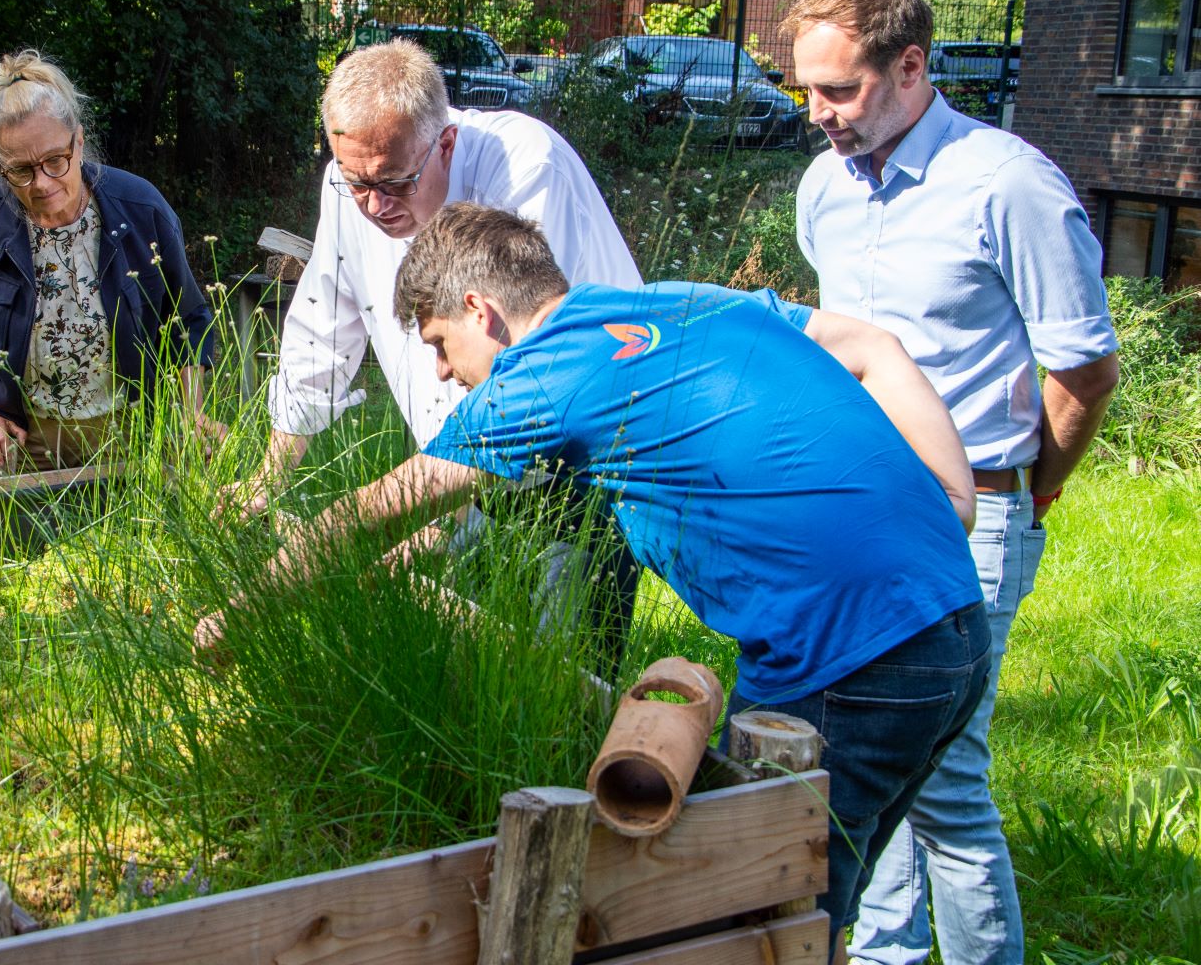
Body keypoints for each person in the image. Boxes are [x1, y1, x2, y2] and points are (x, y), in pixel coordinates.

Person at [197, 202, 990, 947]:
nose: (440, 373)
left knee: (747, 926)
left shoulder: (537, 377)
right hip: (952, 626)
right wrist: (954, 497)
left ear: (481, 310)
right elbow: (871, 346)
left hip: (848, 654)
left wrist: (239, 614)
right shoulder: (680, 303)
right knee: (808, 911)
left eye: (439, 343)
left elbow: (364, 514)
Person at [786, 0, 1119, 965]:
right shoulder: (824, 191)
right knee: (870, 753)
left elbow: (1086, 371)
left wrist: (1031, 489)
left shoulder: (1007, 183)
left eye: (838, 92)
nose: (818, 116)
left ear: (912, 67)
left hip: (975, 512)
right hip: (858, 511)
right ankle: (884, 955)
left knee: (945, 776)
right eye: (806, 90)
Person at [231, 39, 643, 651]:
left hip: (583, 463)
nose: (375, 205)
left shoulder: (526, 169)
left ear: (445, 143)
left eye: (394, 182)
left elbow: (524, 372)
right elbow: (322, 331)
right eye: (357, 182)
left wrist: (428, 526)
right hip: (459, 472)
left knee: (561, 675)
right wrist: (269, 475)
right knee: (467, 668)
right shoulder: (348, 190)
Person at [0, 50, 221, 472]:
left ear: (78, 142)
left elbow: (188, 319)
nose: (41, 183)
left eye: (55, 161)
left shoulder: (140, 210)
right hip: (20, 443)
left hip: (132, 441)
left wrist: (190, 414)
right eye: (21, 170)